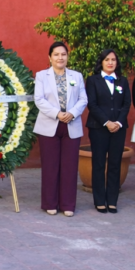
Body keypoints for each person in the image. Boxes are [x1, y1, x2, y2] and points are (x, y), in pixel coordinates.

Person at [33, 42, 87, 216]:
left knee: (69, 167)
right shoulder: (42, 76)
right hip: (49, 125)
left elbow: (83, 99)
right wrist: (57, 113)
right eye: (56, 54)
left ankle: (68, 205)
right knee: (50, 166)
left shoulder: (76, 76)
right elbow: (39, 99)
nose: (60, 58)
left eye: (63, 54)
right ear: (50, 57)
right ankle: (50, 203)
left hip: (71, 124)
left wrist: (72, 113)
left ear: (67, 56)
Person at [86, 49, 131, 213]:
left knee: (115, 164)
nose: (110, 62)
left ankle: (112, 200)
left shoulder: (122, 81)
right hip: (99, 128)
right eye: (107, 59)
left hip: (119, 128)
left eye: (113, 59)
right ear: (101, 62)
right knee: (98, 163)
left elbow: (126, 104)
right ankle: (99, 200)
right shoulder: (93, 80)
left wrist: (118, 122)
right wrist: (107, 122)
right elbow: (92, 104)